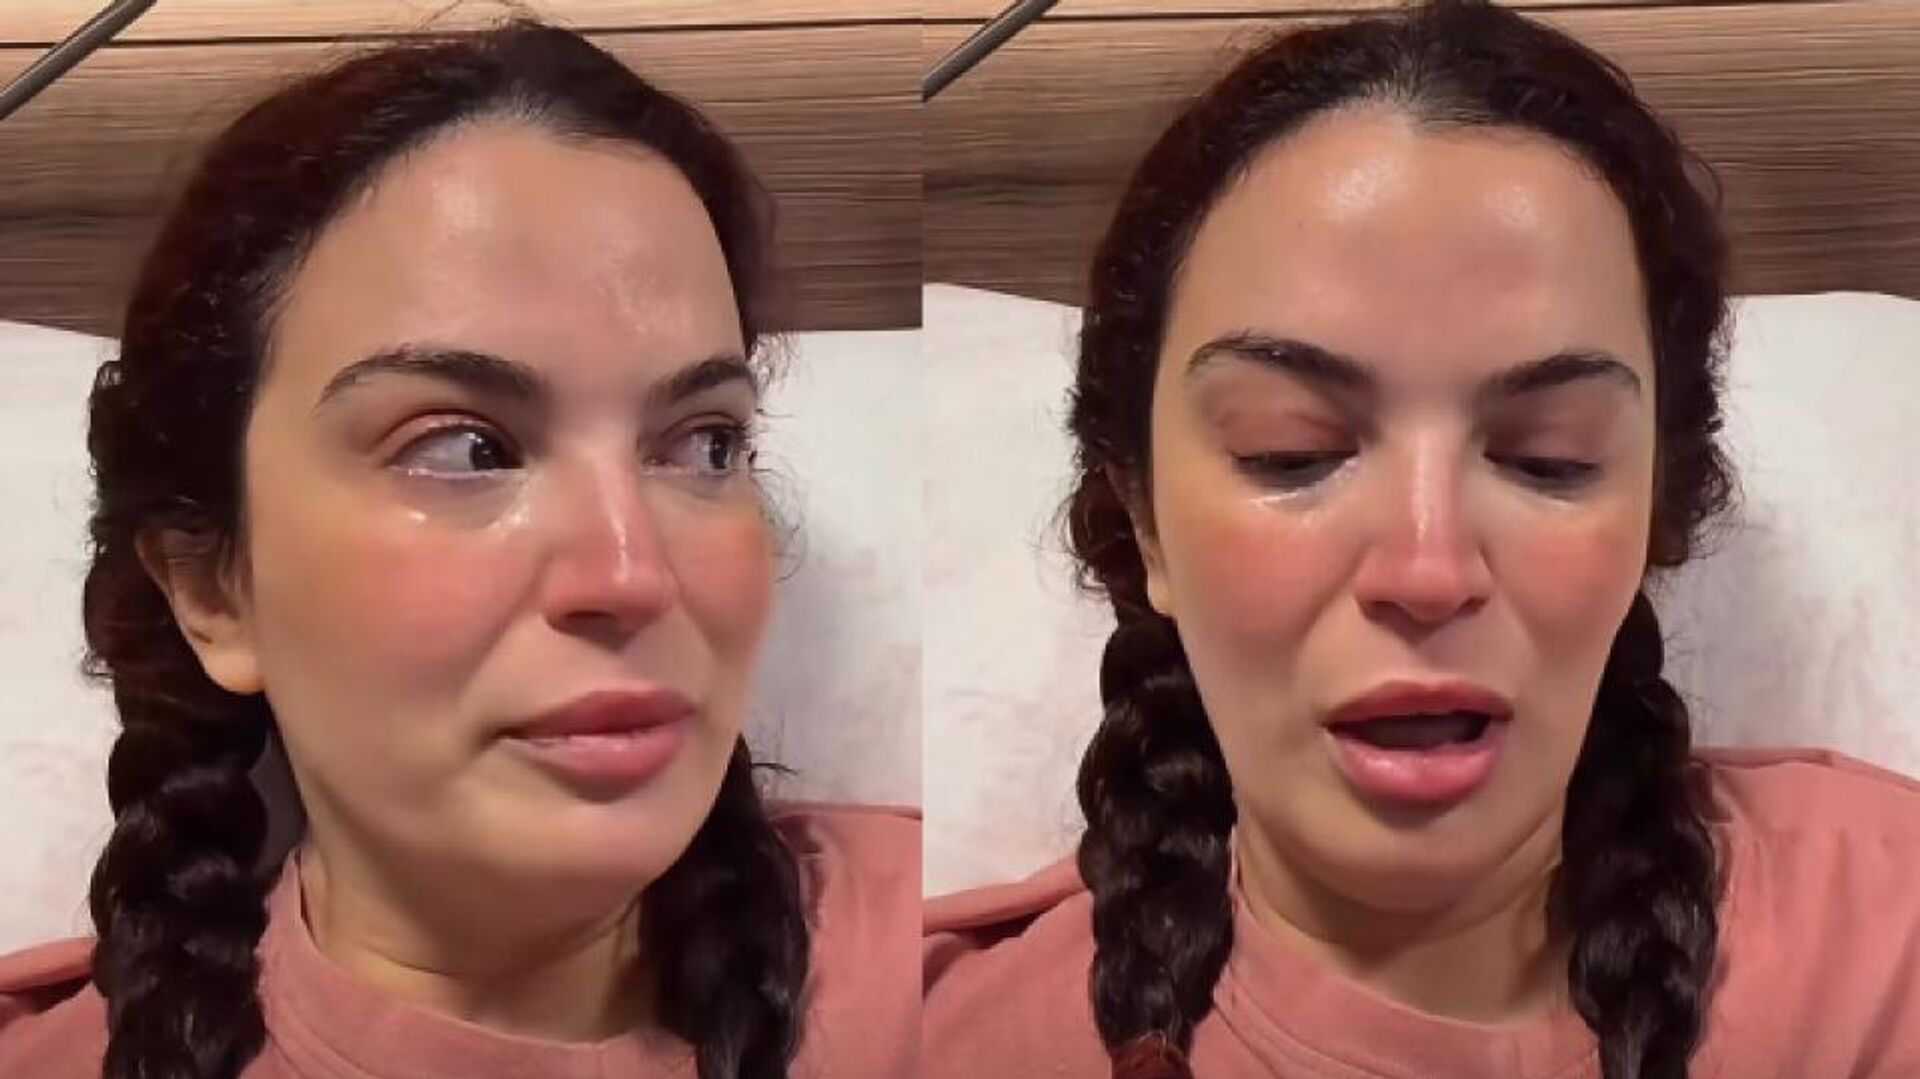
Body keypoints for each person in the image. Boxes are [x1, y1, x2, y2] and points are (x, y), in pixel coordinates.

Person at [923, 2, 1920, 1076]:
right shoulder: (953, 1037)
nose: (1428, 571)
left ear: (1654, 511)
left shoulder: (1884, 945)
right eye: (1291, 451)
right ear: (1145, 522)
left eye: (1548, 457)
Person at [0, 21, 916, 1079]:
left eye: (705, 444)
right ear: (214, 587)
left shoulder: (918, 975)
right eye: (465, 448)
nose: (631, 573)